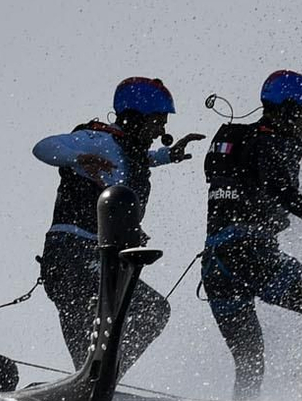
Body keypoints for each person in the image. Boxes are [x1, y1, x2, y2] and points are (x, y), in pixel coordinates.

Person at [199, 70, 302, 400]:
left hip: (216, 265)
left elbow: (220, 176)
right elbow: (279, 189)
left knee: (250, 361)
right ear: (287, 108)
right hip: (253, 256)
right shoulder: (276, 142)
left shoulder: (234, 138)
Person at [33, 77, 204, 370]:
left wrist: (168, 156)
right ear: (137, 118)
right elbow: (43, 147)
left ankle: (96, 383)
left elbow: (131, 161)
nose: (162, 129)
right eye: (158, 121)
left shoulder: (124, 149)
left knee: (148, 315)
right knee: (152, 310)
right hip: (71, 256)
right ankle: (96, 379)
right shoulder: (96, 140)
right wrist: (78, 158)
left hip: (95, 257)